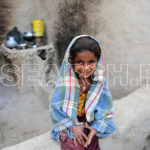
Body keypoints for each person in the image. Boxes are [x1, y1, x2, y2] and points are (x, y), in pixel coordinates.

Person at [50, 35, 115, 150]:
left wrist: (95, 127)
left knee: (92, 144)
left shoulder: (98, 81)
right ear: (71, 62)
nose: (85, 68)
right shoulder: (66, 82)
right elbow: (56, 108)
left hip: (88, 121)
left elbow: (105, 107)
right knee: (73, 145)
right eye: (80, 62)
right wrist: (72, 126)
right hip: (69, 121)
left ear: (98, 61)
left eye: (91, 62)